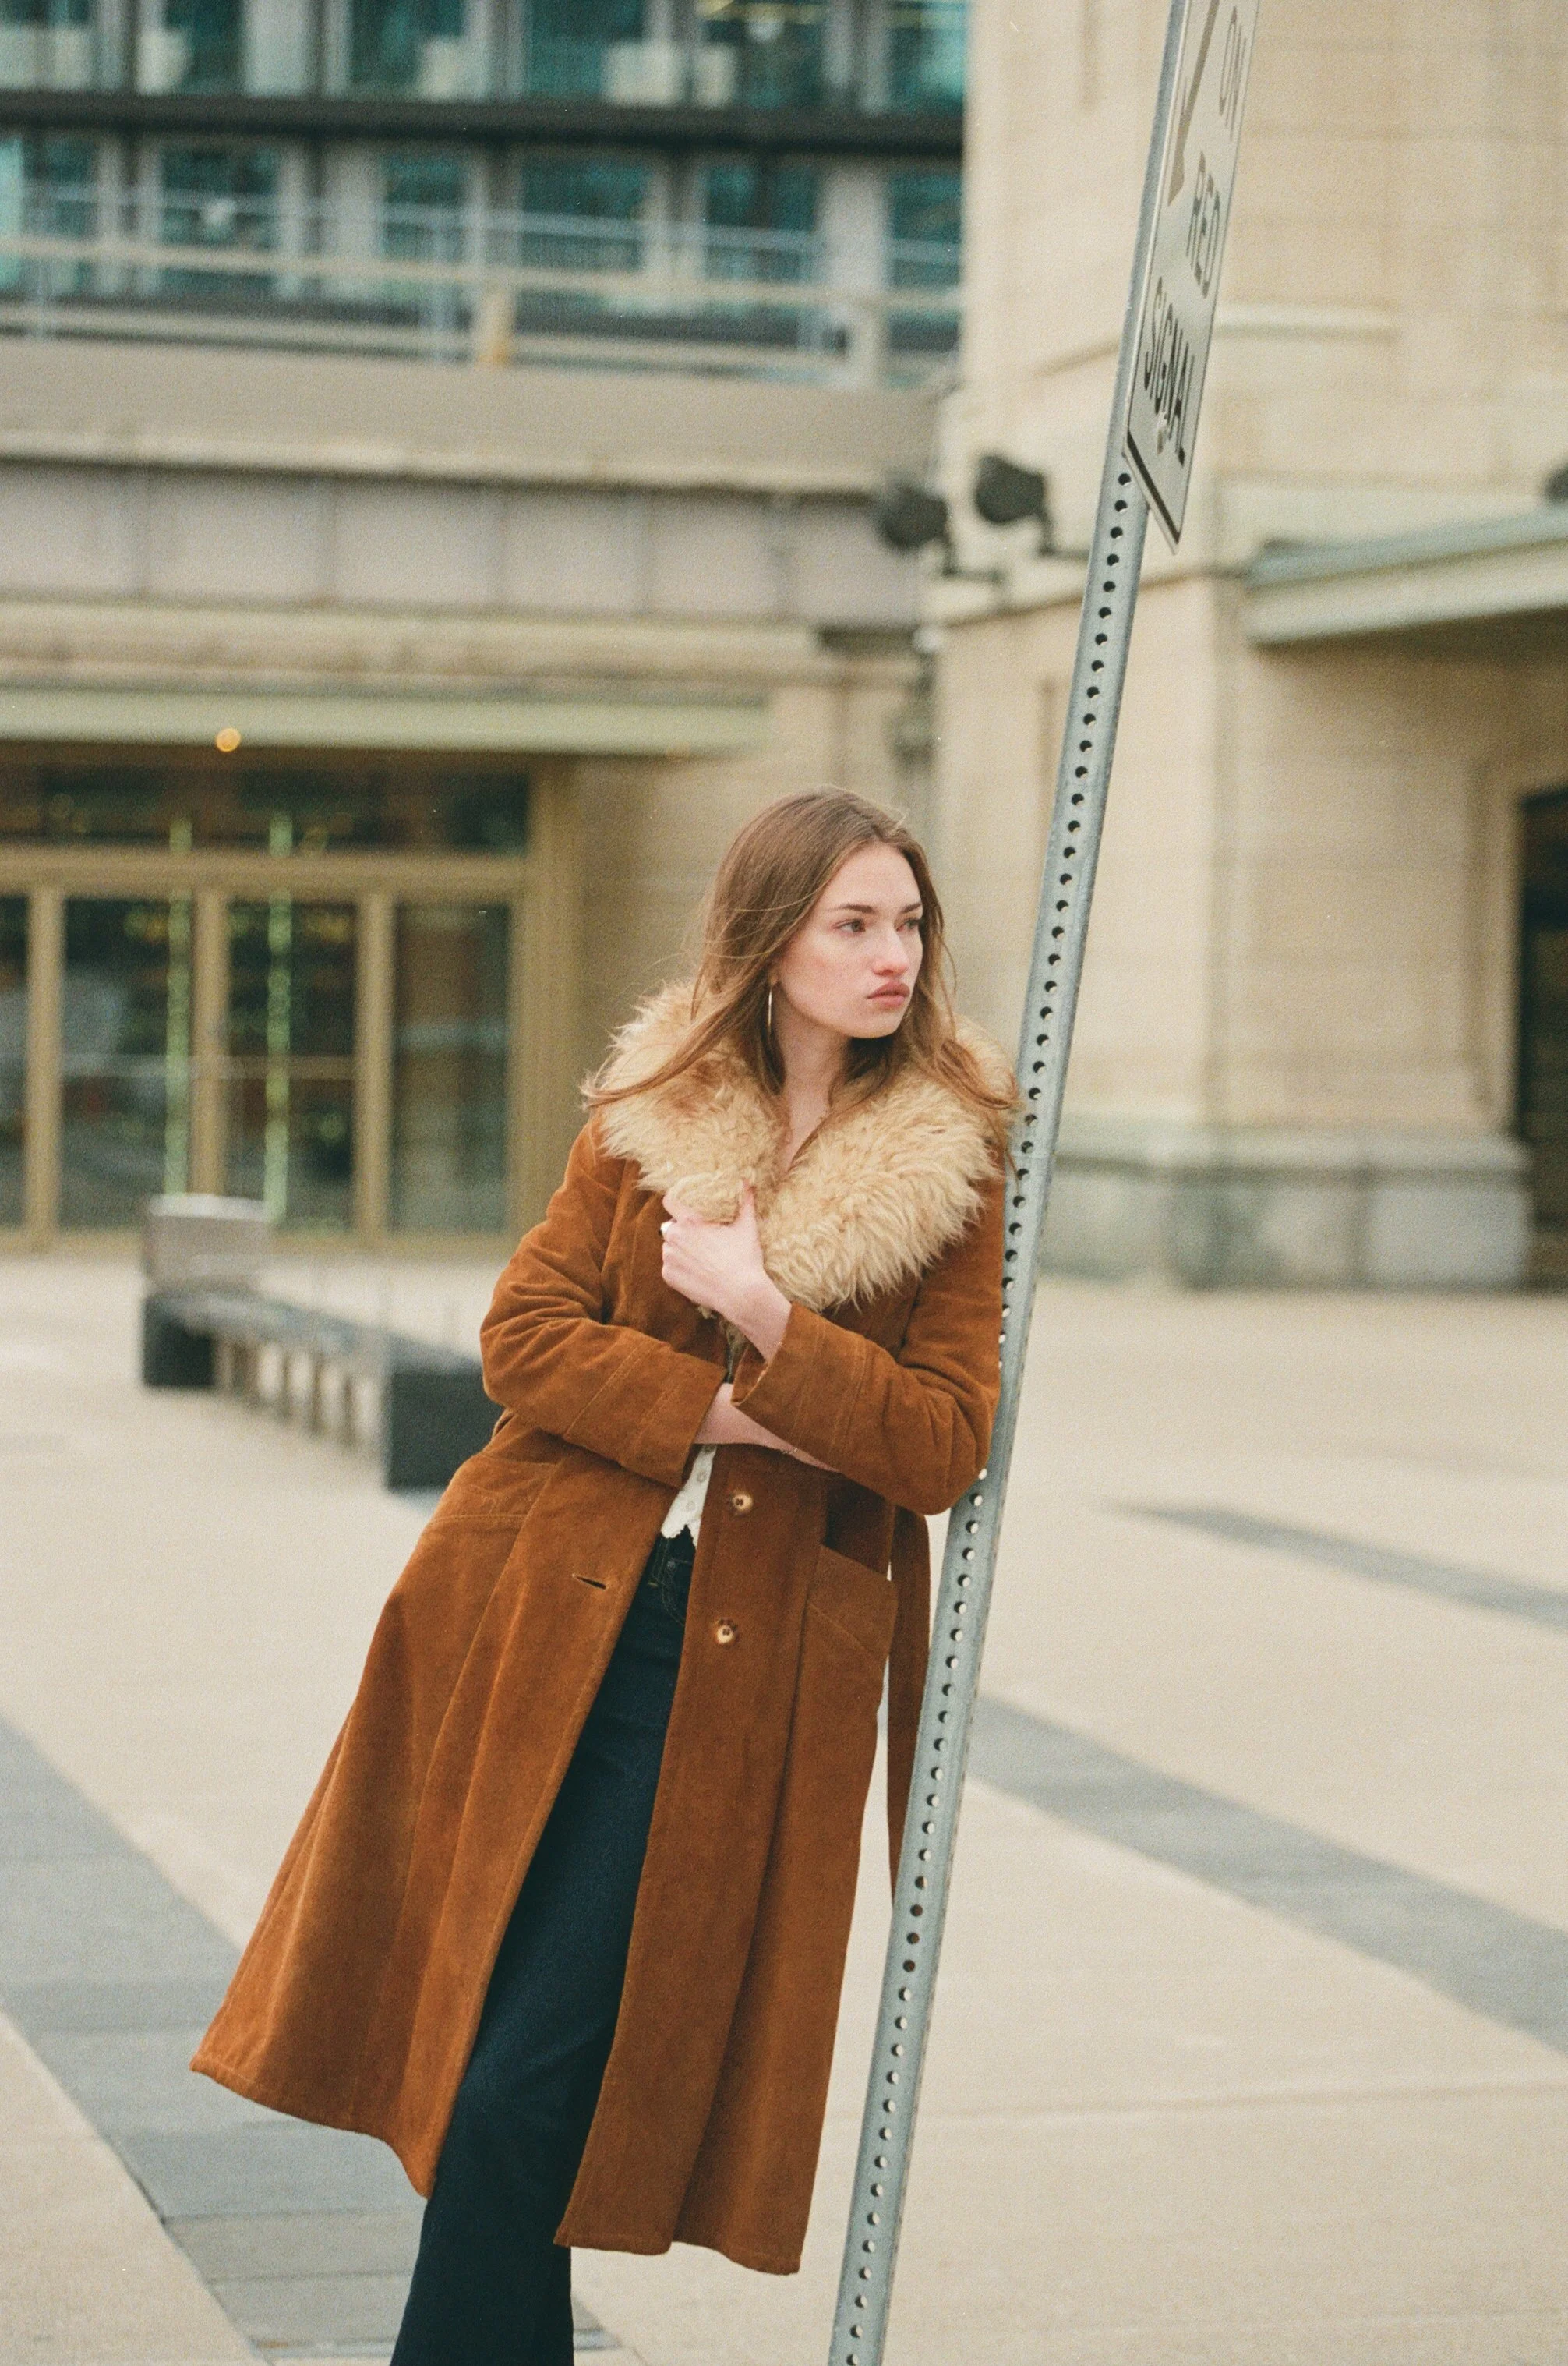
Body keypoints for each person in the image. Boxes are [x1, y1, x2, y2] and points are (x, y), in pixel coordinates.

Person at [192, 789, 1015, 2362]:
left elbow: (936, 1442)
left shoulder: (952, 1163)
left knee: (520, 2086)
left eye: (906, 921)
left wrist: (769, 1314)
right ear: (770, 944)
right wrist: (729, 1402)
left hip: (730, 1668)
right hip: (528, 1615)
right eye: (852, 921)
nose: (889, 952)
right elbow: (520, 1337)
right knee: (471, 2057)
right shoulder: (650, 1113)